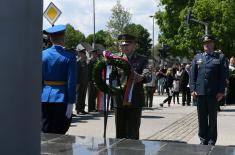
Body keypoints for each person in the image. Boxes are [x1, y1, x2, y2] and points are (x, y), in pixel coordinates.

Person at [190, 34, 226, 145]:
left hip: (213, 93)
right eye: (205, 43)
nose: (207, 45)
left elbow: (223, 76)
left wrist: (221, 91)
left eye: (209, 43)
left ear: (213, 44)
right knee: (201, 118)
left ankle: (211, 140)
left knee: (213, 118)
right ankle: (203, 139)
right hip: (200, 93)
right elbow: (193, 75)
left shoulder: (219, 57)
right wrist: (192, 89)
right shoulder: (197, 57)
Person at [41, 25, 76, 134]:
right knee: (59, 132)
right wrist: (71, 102)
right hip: (62, 98)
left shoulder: (42, 55)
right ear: (63, 38)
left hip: (44, 97)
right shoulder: (69, 57)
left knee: (45, 130)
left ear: (50, 39)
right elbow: (71, 82)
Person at [113, 34, 148, 140]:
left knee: (133, 132)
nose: (125, 47)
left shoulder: (142, 59)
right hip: (119, 100)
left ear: (134, 45)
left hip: (135, 99)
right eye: (123, 45)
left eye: (128, 45)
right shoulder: (116, 59)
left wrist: (142, 76)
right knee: (119, 132)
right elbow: (110, 77)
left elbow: (147, 73)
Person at [75, 45, 89, 114]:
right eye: (83, 53)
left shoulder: (85, 63)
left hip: (85, 82)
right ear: (80, 54)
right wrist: (77, 83)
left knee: (83, 95)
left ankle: (82, 109)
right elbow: (77, 73)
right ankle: (78, 109)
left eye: (84, 53)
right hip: (79, 82)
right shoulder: (78, 62)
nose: (84, 55)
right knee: (79, 96)